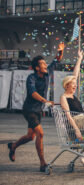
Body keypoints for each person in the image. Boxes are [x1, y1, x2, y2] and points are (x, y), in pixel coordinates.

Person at [8, 43, 65, 172]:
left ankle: (13, 146)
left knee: (30, 136)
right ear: (37, 67)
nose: (46, 65)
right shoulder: (31, 78)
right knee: (40, 133)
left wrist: (60, 51)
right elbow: (33, 93)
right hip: (29, 110)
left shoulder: (46, 73)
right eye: (43, 64)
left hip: (38, 110)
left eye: (45, 64)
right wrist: (45, 101)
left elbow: (56, 61)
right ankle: (43, 163)